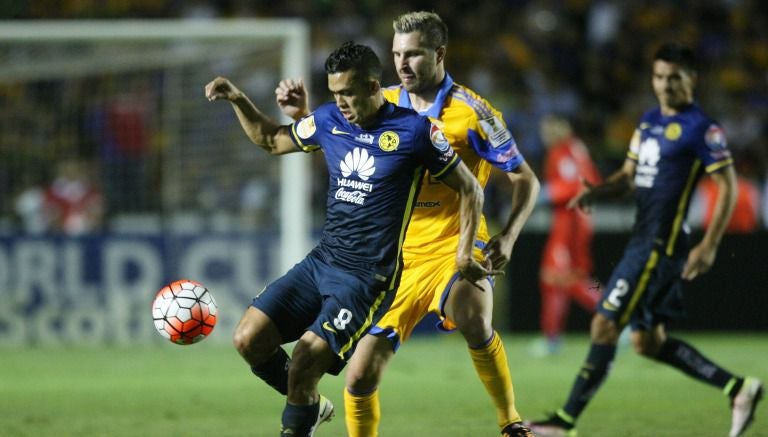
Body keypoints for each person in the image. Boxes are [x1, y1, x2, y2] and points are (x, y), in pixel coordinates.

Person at [205, 41, 494, 437]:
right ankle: (311, 405)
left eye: (348, 93)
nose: (340, 102)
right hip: (322, 262)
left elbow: (470, 189)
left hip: (367, 278)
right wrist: (238, 98)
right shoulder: (327, 120)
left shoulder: (415, 132)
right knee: (248, 339)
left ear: (374, 87)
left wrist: (464, 252)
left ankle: (299, 417)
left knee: (306, 358)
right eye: (335, 93)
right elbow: (272, 140)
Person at [275, 12, 539, 437]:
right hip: (392, 259)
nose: (402, 63)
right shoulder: (380, 101)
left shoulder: (474, 113)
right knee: (359, 376)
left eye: (413, 54)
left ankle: (510, 421)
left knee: (473, 315)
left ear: (439, 54)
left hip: (456, 245)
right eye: (397, 54)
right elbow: (341, 143)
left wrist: (508, 236)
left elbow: (525, 178)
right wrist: (305, 114)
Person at [526, 42, 763, 437]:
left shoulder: (702, 129)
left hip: (660, 245)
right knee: (648, 343)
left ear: (692, 79)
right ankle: (738, 389)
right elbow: (627, 176)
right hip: (643, 240)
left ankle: (562, 422)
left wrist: (710, 244)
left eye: (674, 77)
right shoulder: (649, 122)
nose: (665, 84)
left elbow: (728, 185)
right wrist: (594, 192)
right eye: (659, 76)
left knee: (604, 324)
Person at [530, 114, 601, 357]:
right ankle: (552, 337)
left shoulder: (562, 152)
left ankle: (617, 317)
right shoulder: (577, 148)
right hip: (580, 218)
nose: (546, 135)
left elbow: (571, 185)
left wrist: (544, 193)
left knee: (563, 277)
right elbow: (592, 180)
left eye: (550, 129)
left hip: (569, 221)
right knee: (567, 276)